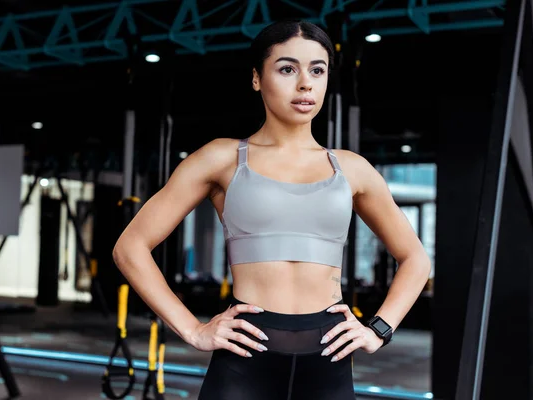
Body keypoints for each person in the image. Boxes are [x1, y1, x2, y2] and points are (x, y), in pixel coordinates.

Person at [112, 19, 431, 400]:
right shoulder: (221, 158)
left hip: (328, 360)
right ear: (256, 79)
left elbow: (415, 258)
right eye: (286, 69)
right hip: (244, 361)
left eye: (317, 70)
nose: (305, 84)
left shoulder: (352, 168)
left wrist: (379, 329)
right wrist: (193, 329)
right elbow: (129, 248)